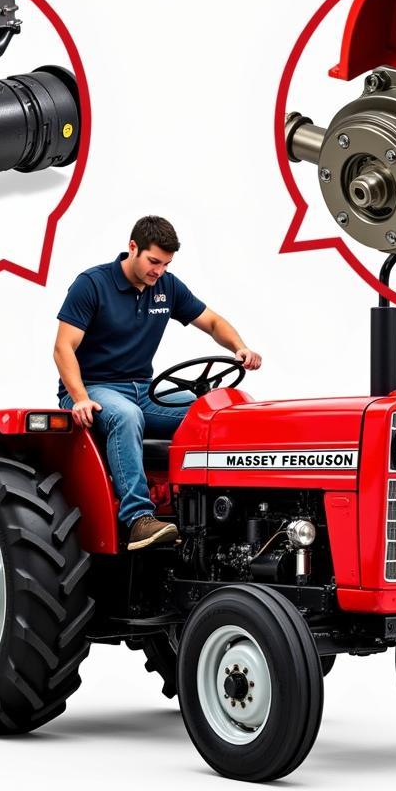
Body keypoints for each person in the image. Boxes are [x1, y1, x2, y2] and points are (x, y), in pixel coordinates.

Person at [54, 216, 262, 550]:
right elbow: (63, 347)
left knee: (217, 415)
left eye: (166, 264)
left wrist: (240, 347)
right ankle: (139, 519)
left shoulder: (167, 287)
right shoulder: (92, 284)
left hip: (144, 391)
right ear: (132, 248)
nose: (159, 271)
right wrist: (79, 397)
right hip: (94, 388)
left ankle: (225, 511)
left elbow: (212, 321)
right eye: (154, 262)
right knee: (126, 416)